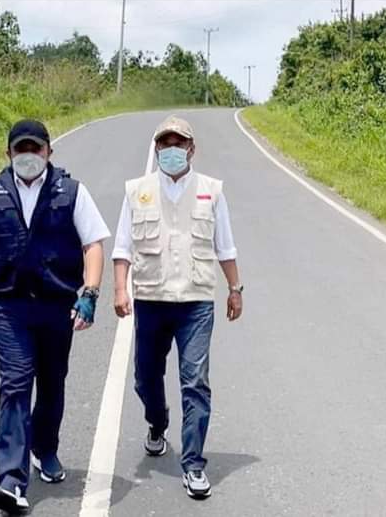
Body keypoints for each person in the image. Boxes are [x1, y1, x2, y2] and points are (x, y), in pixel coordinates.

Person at [0, 119, 110, 514]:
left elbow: (93, 244)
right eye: (21, 149)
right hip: (11, 308)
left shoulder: (71, 192)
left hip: (58, 305)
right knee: (16, 383)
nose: (28, 156)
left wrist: (90, 293)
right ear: (8, 153)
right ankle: (10, 479)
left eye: (35, 148)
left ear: (48, 152)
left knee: (52, 382)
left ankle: (45, 448)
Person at [111, 115, 243, 500]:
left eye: (178, 143)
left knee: (195, 381)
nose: (172, 149)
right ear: (156, 149)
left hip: (196, 303)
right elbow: (122, 247)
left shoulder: (211, 191)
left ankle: (194, 464)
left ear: (191, 149)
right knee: (145, 377)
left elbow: (225, 246)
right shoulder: (137, 191)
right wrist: (120, 289)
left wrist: (235, 288)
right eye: (165, 143)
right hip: (151, 300)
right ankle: (157, 422)